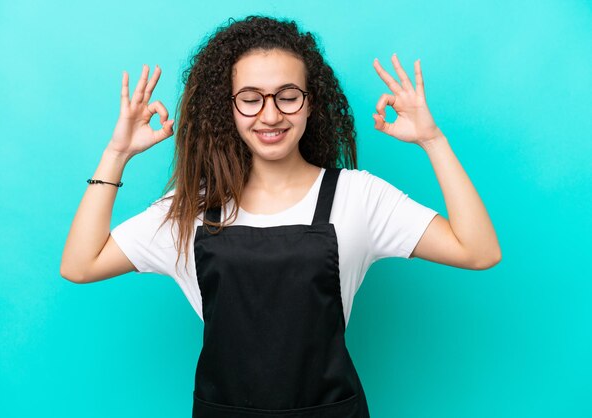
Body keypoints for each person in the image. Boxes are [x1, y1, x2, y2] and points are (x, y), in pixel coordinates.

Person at [60, 15, 500, 418]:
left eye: (288, 97)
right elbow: (80, 265)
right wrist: (116, 154)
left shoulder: (358, 197)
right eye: (250, 99)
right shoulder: (189, 208)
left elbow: (478, 251)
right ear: (227, 108)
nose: (270, 115)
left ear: (311, 104)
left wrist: (433, 139)